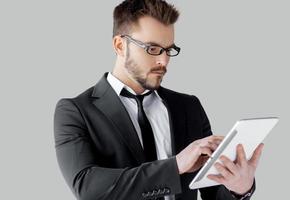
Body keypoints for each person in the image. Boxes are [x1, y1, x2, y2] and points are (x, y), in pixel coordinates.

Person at [54, 0, 264, 199]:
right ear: (119, 45)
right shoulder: (76, 111)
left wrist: (240, 188)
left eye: (168, 50)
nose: (163, 61)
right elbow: (88, 188)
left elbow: (213, 193)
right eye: (152, 49)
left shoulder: (189, 107)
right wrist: (175, 166)